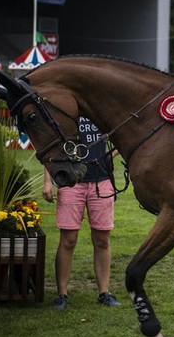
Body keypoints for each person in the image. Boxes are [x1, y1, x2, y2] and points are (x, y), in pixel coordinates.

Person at [43, 116, 121, 310]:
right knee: (68, 239)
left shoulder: (100, 110)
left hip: (101, 181)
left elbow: (122, 134)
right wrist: (47, 181)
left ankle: (104, 292)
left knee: (102, 239)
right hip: (71, 181)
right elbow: (50, 147)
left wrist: (107, 157)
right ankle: (62, 294)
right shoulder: (68, 115)